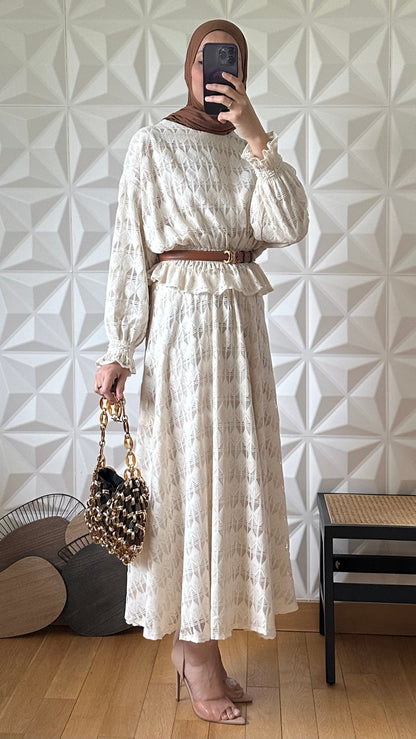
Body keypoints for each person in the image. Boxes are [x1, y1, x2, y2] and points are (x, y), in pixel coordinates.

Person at [94, 18, 308, 726]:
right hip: (181, 327)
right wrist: (120, 347)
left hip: (241, 330)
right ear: (189, 66)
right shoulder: (153, 144)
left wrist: (255, 134)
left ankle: (200, 650)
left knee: (231, 484)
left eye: (231, 60)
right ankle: (197, 653)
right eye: (208, 60)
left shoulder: (250, 148)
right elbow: (130, 247)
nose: (216, 72)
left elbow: (288, 226)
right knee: (187, 485)